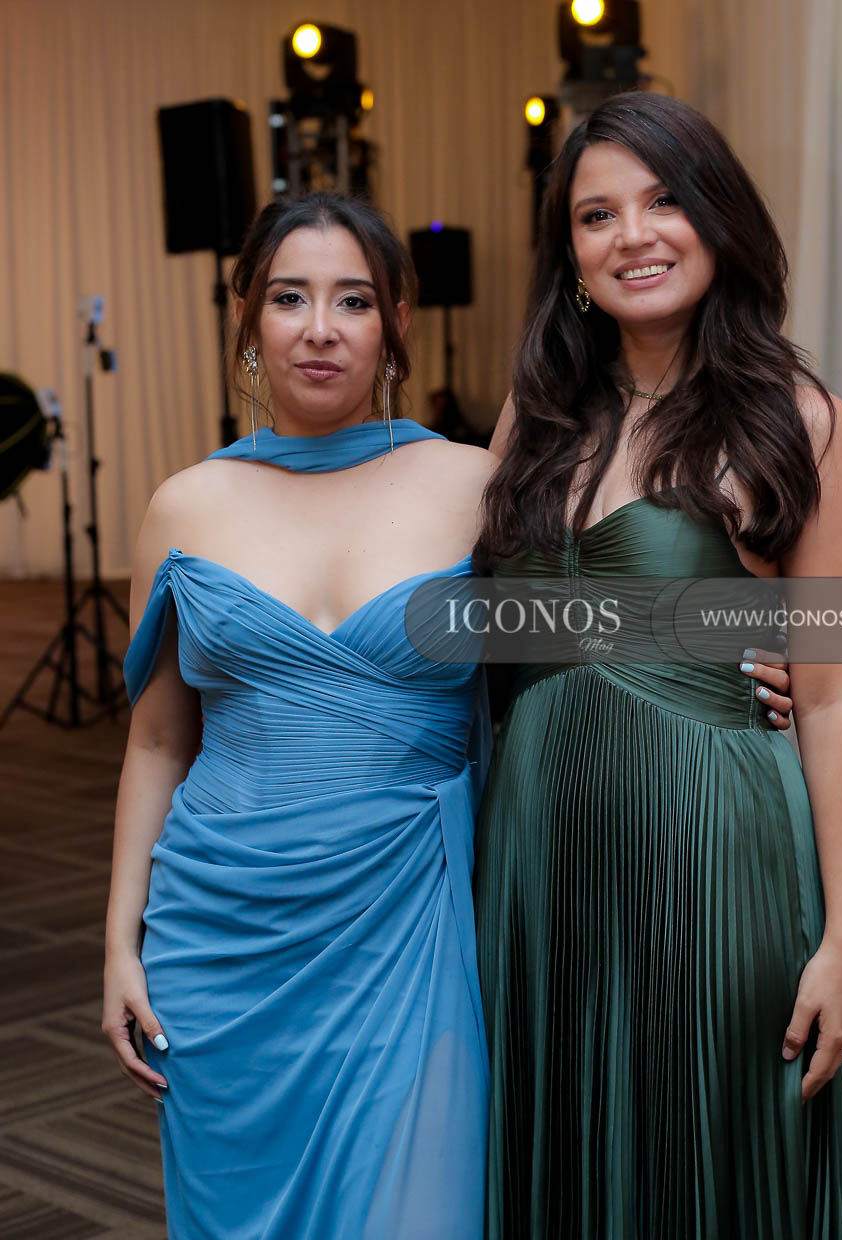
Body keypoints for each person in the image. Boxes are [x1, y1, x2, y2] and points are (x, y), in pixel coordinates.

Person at [472, 91, 842, 1238]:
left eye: (661, 201)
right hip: (537, 861)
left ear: (717, 216)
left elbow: (838, 698)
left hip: (712, 850)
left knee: (703, 1157)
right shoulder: (533, 419)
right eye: (595, 215)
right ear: (568, 254)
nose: (631, 235)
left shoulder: (799, 423)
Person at [101, 192, 496, 1239]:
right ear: (247, 317)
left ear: (396, 323)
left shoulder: (476, 487)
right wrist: (120, 943)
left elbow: (603, 635)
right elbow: (156, 741)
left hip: (405, 921)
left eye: (352, 300)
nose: (320, 328)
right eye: (289, 298)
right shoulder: (184, 505)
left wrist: (759, 646)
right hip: (220, 935)